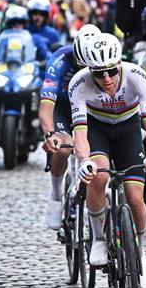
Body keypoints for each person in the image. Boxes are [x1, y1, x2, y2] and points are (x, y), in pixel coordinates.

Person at [69, 33, 146, 288]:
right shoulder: (79, 84)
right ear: (89, 70)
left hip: (128, 129)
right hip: (97, 129)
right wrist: (84, 161)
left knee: (135, 198)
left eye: (111, 71)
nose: (107, 79)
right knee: (98, 177)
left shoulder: (137, 76)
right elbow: (80, 133)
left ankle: (141, 254)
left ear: (120, 63)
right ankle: (99, 238)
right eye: (99, 73)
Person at [39, 24, 101, 230]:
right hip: (63, 108)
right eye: (78, 65)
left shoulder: (104, 60)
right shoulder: (60, 59)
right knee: (64, 147)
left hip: (91, 108)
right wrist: (49, 134)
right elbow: (46, 105)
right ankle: (56, 193)